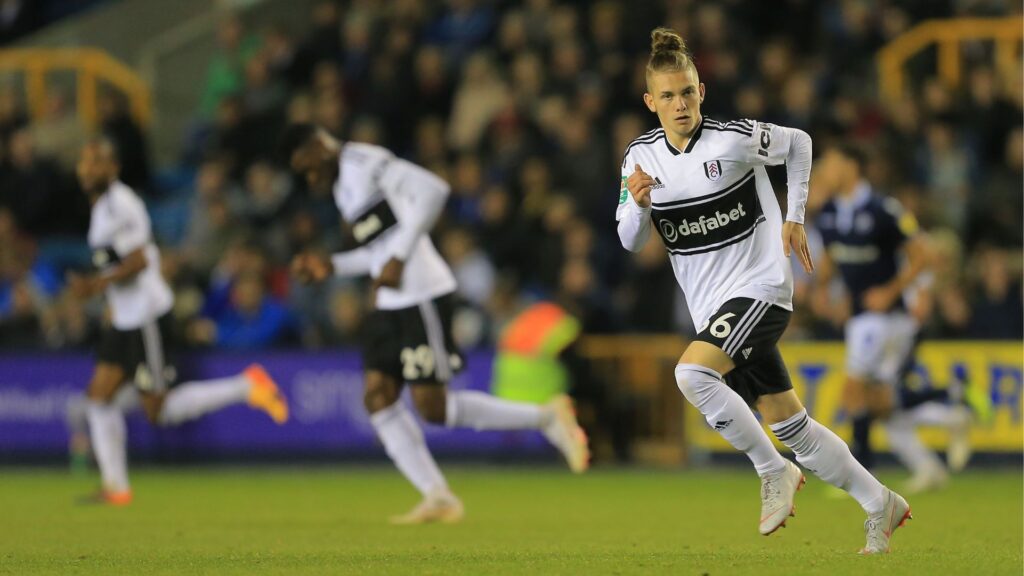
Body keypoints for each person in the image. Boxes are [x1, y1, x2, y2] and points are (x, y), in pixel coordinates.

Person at [616, 28, 908, 554]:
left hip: (762, 288)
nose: (679, 104)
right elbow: (629, 241)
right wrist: (637, 205)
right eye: (667, 96)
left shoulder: (732, 138)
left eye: (687, 92)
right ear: (649, 102)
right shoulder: (640, 160)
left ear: (701, 89)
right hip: (714, 309)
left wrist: (794, 216)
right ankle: (879, 502)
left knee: (691, 373)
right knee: (793, 425)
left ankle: (772, 470)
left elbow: (799, 143)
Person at [281, 124, 589, 524]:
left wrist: (400, 257)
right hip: (390, 300)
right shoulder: (343, 187)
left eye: (308, 166)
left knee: (433, 407)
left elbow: (434, 190)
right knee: (377, 396)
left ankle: (546, 417)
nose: (309, 178)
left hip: (421, 295)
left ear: (320, 146)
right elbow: (379, 252)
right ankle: (437, 495)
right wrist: (333, 265)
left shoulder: (366, 162)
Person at [70, 137, 289, 505]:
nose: (88, 168)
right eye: (85, 161)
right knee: (98, 397)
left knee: (159, 411)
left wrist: (96, 285)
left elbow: (139, 261)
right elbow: (116, 261)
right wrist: (109, 300)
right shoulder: (101, 208)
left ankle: (246, 386)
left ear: (114, 168)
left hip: (147, 319)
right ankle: (116, 487)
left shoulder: (123, 203)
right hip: (125, 319)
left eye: (97, 161)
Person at [810, 143, 985, 492]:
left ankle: (856, 473)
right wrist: (824, 291)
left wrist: (891, 292)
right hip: (860, 316)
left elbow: (923, 254)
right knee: (882, 404)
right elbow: (832, 259)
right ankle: (953, 408)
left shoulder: (882, 210)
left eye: (829, 163)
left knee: (853, 391)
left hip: (886, 318)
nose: (823, 171)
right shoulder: (828, 213)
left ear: (850, 166)